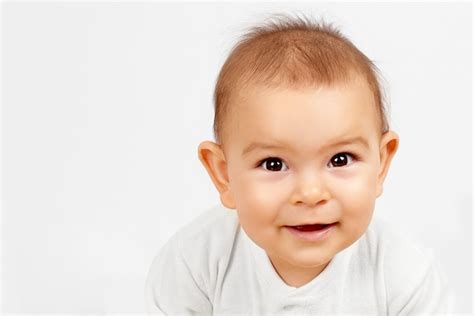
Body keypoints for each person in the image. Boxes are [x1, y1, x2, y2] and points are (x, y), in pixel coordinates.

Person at [145, 14, 454, 314]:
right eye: (273, 164)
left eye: (340, 159)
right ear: (224, 175)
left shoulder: (404, 274)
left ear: (381, 164)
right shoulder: (194, 264)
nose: (310, 193)